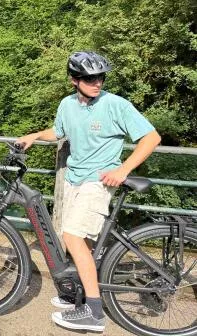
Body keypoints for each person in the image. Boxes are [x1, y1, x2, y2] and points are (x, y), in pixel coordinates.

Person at [15, 51, 161, 332]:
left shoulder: (115, 105)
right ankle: (79, 294)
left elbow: (151, 137)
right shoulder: (67, 105)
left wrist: (123, 169)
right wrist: (35, 135)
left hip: (98, 182)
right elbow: (58, 131)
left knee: (72, 236)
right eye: (90, 78)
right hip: (73, 180)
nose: (97, 83)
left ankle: (93, 313)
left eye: (101, 77)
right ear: (74, 80)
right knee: (81, 242)